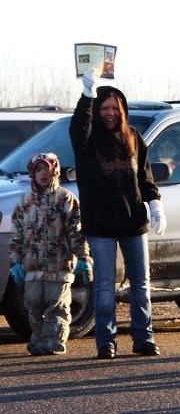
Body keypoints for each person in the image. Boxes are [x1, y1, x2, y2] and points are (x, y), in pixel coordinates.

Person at [69, 69, 167, 360]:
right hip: (100, 224)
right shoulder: (87, 140)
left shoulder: (133, 137)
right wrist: (87, 95)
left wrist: (155, 204)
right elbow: (78, 126)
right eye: (104, 108)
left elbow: (146, 178)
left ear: (123, 111)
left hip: (133, 222)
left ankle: (143, 339)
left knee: (140, 283)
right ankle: (106, 342)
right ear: (97, 111)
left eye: (115, 108)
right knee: (103, 285)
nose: (110, 113)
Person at [9, 152, 92, 356]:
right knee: (33, 306)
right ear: (32, 173)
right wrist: (15, 263)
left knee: (57, 306)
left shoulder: (65, 199)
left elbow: (77, 231)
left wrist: (83, 258)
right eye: (38, 169)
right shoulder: (24, 202)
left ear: (54, 170)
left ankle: (53, 342)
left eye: (46, 168)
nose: (43, 173)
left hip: (60, 266)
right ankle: (38, 340)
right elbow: (17, 235)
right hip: (33, 267)